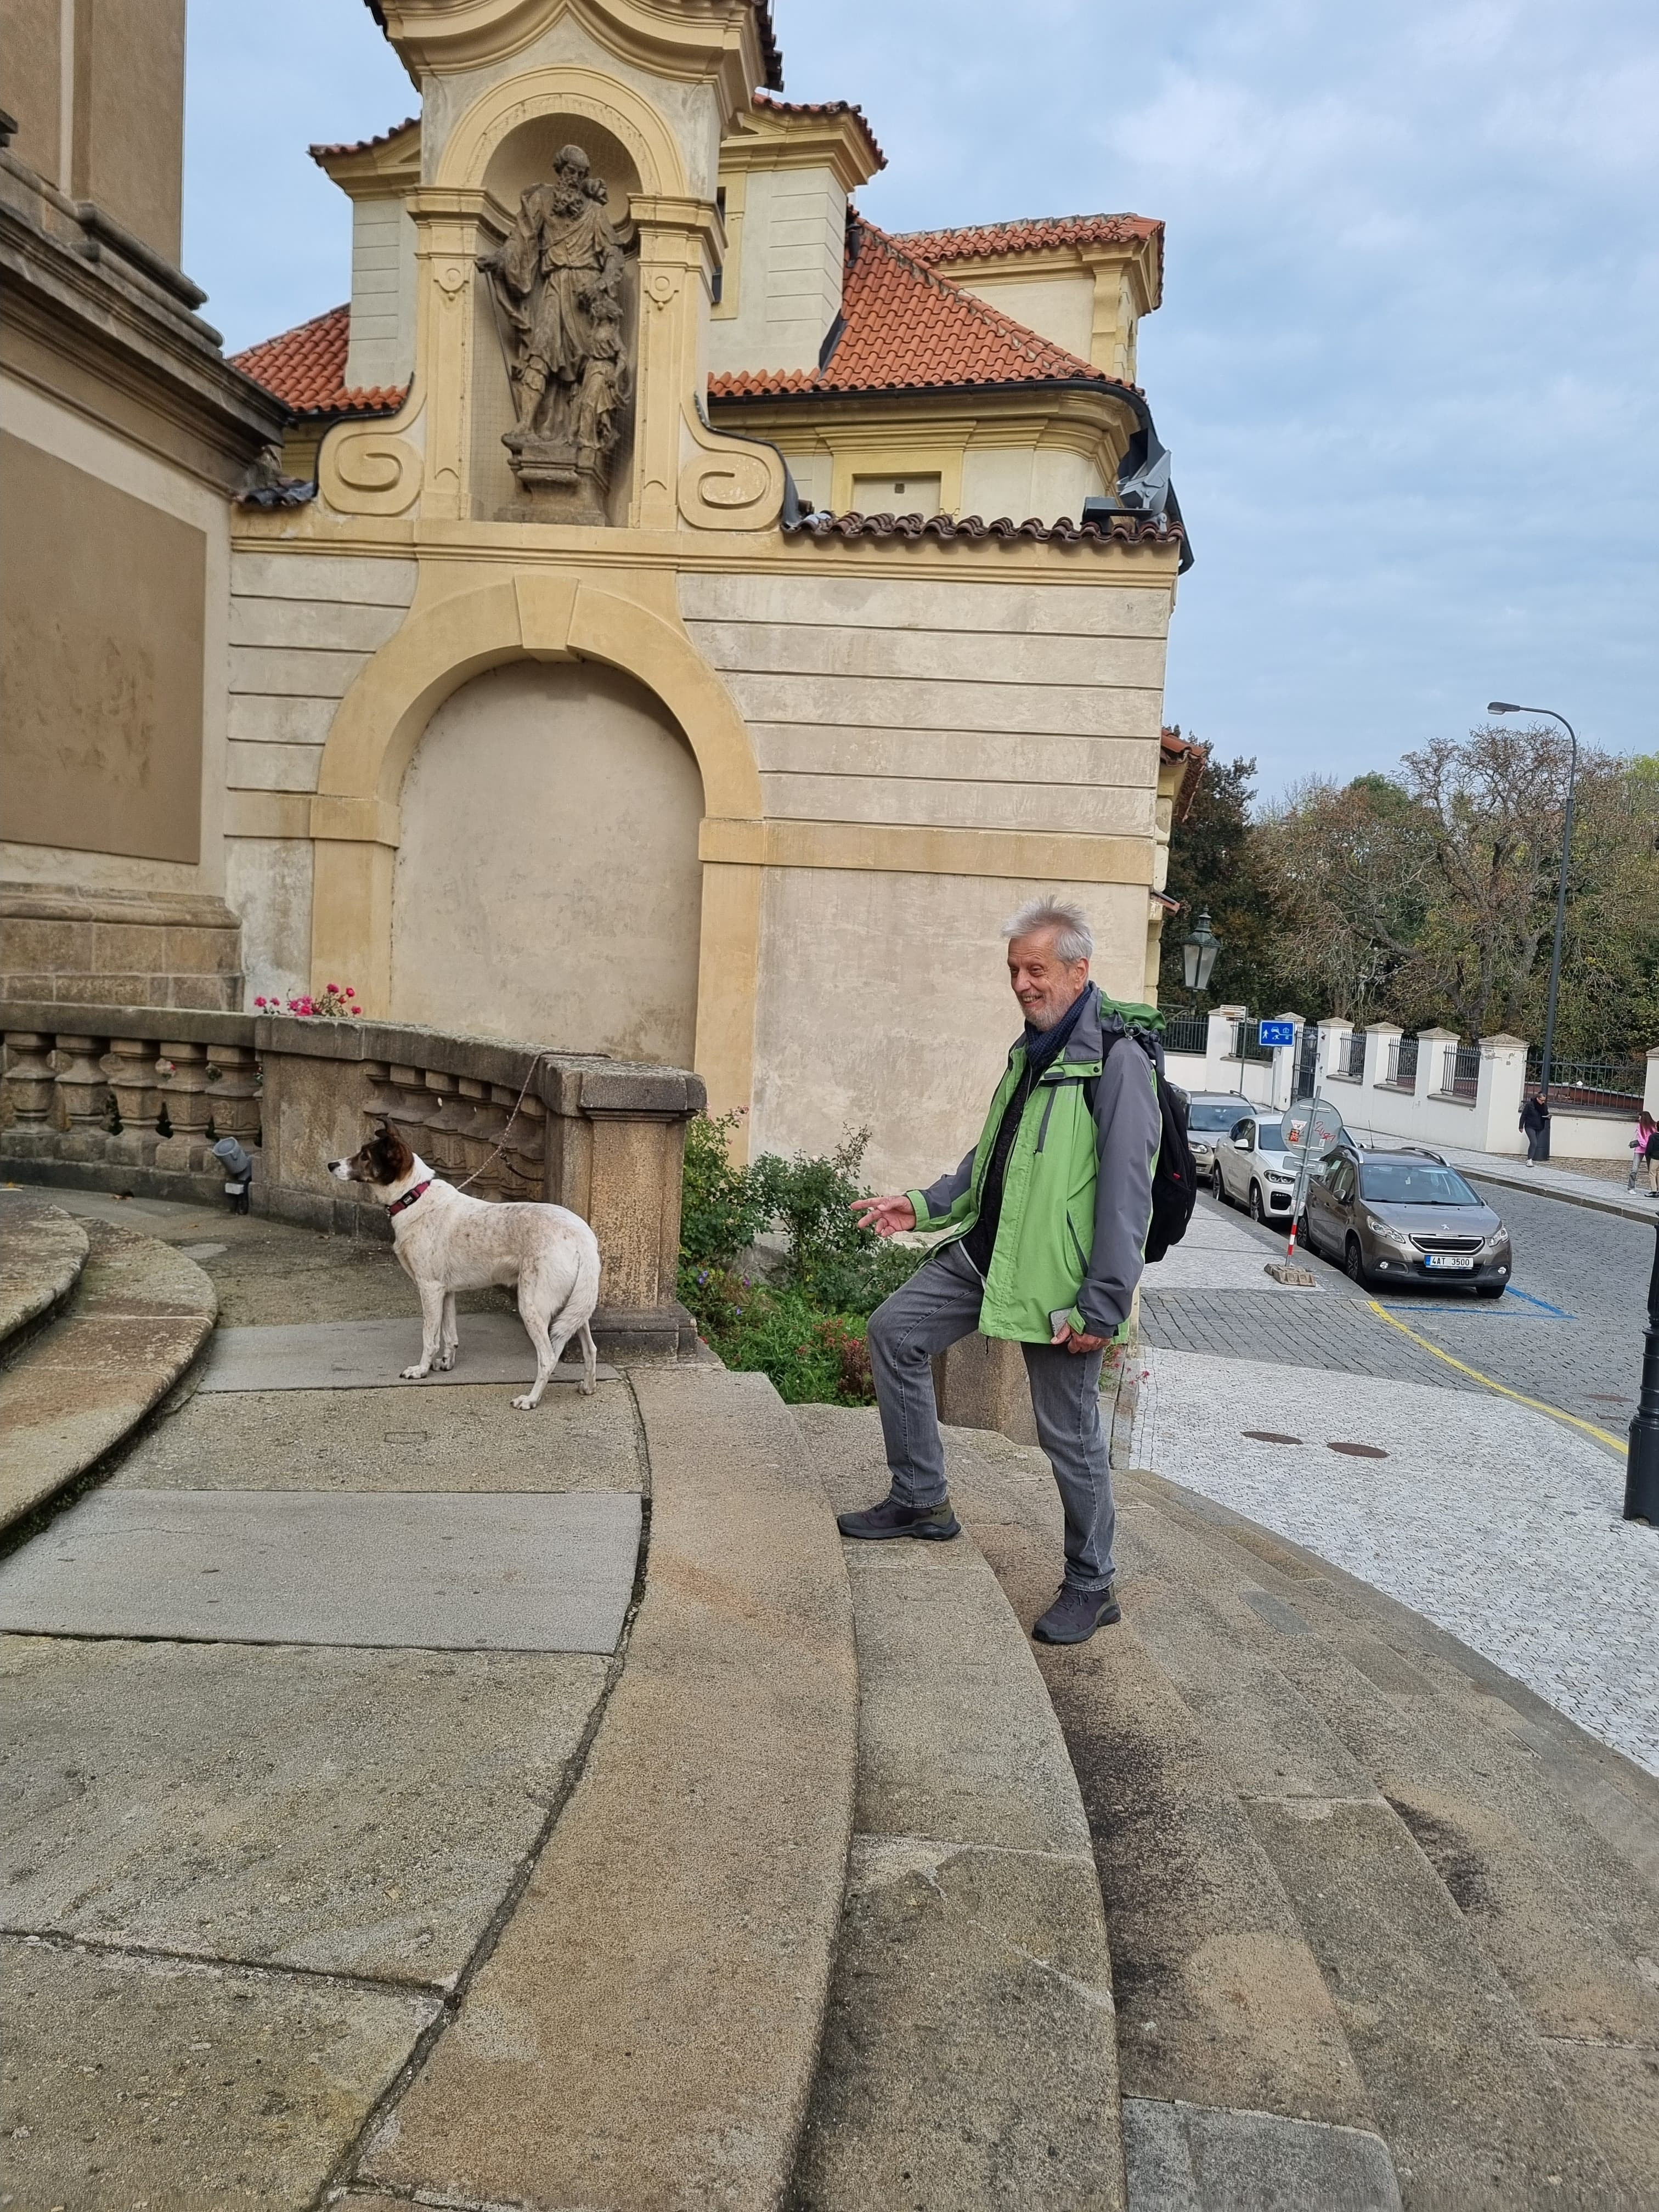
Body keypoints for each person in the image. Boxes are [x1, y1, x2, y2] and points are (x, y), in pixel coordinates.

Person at [837, 897, 1163, 1647]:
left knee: (1069, 1434)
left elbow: (1126, 1197)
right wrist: (922, 1206)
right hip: (987, 1257)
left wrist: (1103, 1305)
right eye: (1014, 970)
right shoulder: (1031, 1049)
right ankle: (922, 1500)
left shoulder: (1115, 1063)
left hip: (1061, 1282)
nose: (1021, 983)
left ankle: (1093, 1582)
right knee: (896, 1331)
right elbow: (992, 1159)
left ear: (1080, 971)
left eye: (1036, 970)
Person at [1520, 1087, 1550, 1165]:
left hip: (1540, 1126)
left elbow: (1545, 1114)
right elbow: (1524, 1115)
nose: (1543, 1102)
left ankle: (1530, 1158)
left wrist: (1548, 1117)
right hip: (1530, 1126)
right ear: (1538, 1098)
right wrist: (1521, 1126)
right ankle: (1530, 1159)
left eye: (1544, 1100)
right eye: (1542, 1100)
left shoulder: (1544, 1106)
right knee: (1534, 1142)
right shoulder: (1530, 1105)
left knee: (1535, 1143)